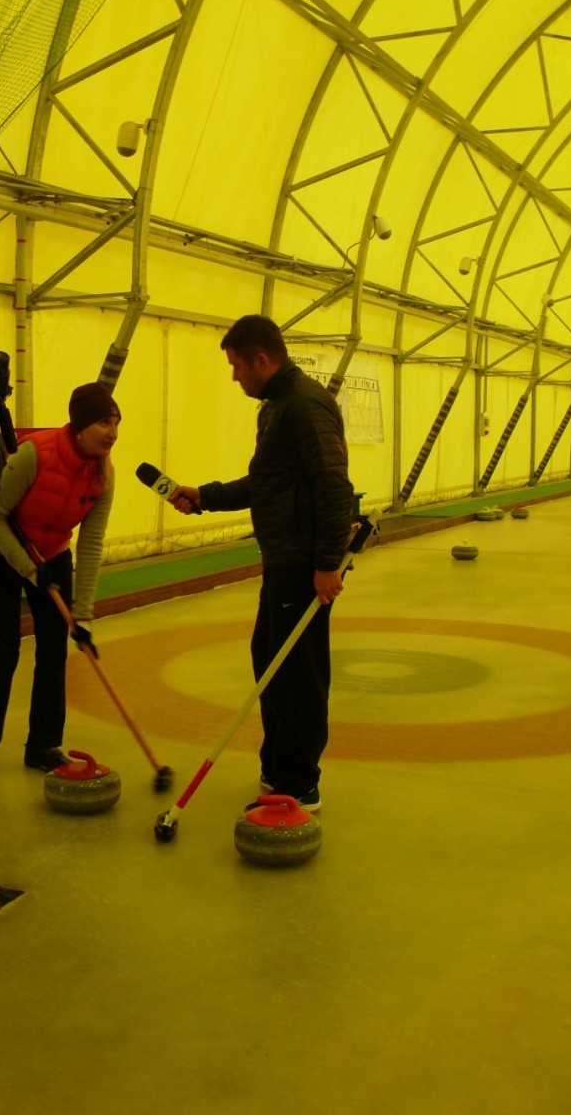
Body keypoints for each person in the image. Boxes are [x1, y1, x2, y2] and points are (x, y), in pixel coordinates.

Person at [169, 315, 354, 811]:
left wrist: (327, 563)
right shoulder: (275, 409)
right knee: (269, 662)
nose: (234, 377)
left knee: (298, 672)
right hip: (281, 558)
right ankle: (278, 769)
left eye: (236, 366)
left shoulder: (307, 406)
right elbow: (265, 483)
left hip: (303, 562)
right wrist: (203, 496)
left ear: (262, 359)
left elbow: (335, 487)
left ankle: (300, 783)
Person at [0, 382, 121, 773]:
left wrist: (82, 616)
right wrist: (29, 571)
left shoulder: (104, 474)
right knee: (2, 649)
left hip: (53, 553)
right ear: (81, 424)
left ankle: (44, 746)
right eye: (104, 422)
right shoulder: (34, 454)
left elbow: (90, 546)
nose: (112, 432)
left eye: (117, 424)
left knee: (54, 650)